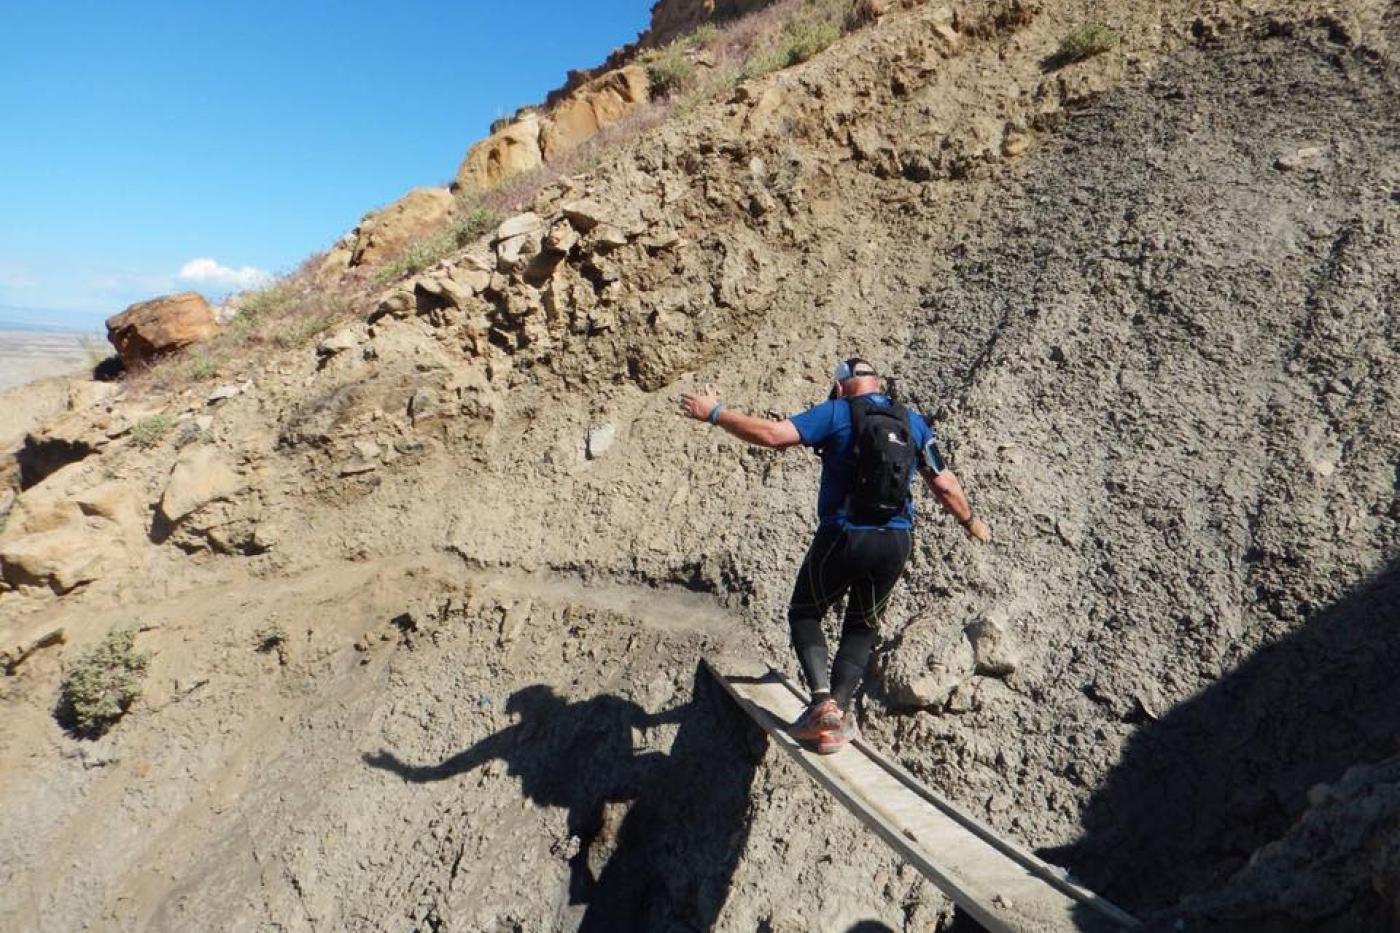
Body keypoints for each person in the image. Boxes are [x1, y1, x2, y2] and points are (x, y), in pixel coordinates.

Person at [680, 358, 991, 753]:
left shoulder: (837, 412)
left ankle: (822, 703)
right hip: (896, 543)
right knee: (862, 626)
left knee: (805, 612)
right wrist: (971, 522)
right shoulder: (912, 422)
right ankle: (836, 717)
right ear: (877, 382)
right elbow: (944, 484)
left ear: (841, 386)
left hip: (845, 536)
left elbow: (775, 435)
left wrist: (716, 414)